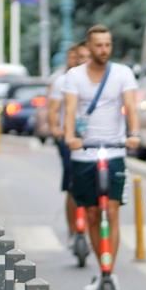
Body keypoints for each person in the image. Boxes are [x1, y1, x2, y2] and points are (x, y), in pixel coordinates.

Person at [62, 26, 140, 290]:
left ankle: (108, 272)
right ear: (89, 46)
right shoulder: (74, 77)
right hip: (84, 152)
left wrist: (134, 134)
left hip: (115, 150)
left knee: (113, 210)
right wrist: (70, 136)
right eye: (98, 45)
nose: (103, 50)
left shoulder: (122, 74)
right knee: (93, 213)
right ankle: (101, 264)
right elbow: (71, 108)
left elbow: (130, 105)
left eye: (107, 45)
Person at [47, 42, 90, 244]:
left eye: (81, 57)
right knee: (72, 185)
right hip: (68, 139)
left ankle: (90, 225)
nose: (77, 61)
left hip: (92, 140)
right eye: (74, 57)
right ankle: (74, 230)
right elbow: (53, 110)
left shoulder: (96, 80)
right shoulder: (61, 81)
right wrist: (56, 129)